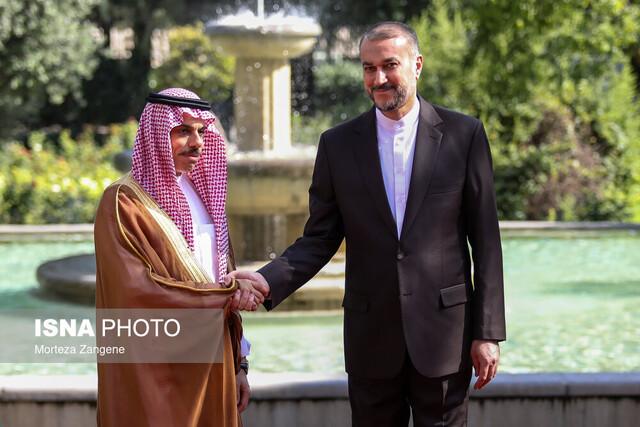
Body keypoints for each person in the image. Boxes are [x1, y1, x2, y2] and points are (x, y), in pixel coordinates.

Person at [228, 22, 506, 426]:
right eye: (368, 68)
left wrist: (488, 332)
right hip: (370, 339)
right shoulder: (337, 144)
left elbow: (486, 242)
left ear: (417, 65)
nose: (378, 79)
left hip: (446, 335)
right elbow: (319, 239)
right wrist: (267, 280)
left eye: (389, 65)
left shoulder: (465, 135)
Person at [94, 88, 262, 427]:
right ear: (156, 134)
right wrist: (225, 295)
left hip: (216, 358)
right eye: (183, 131)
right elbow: (136, 293)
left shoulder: (204, 196)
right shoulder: (123, 202)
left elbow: (220, 276)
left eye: (201, 131)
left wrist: (240, 363)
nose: (197, 142)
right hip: (157, 373)